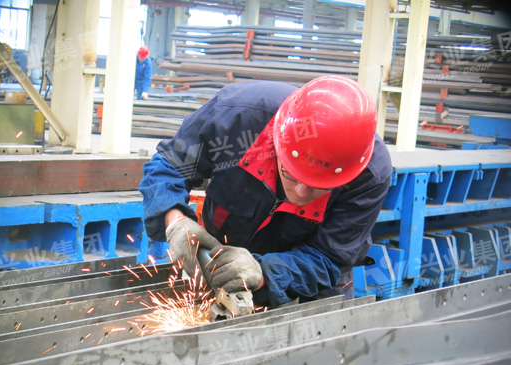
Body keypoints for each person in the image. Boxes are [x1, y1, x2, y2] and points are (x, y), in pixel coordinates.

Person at [138, 75, 393, 308]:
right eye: (291, 174)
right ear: (278, 142)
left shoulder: (369, 174)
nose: (301, 193)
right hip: (220, 264)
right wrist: (176, 221)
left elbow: (328, 258)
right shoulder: (236, 117)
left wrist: (264, 274)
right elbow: (169, 165)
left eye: (319, 185)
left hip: (308, 286)